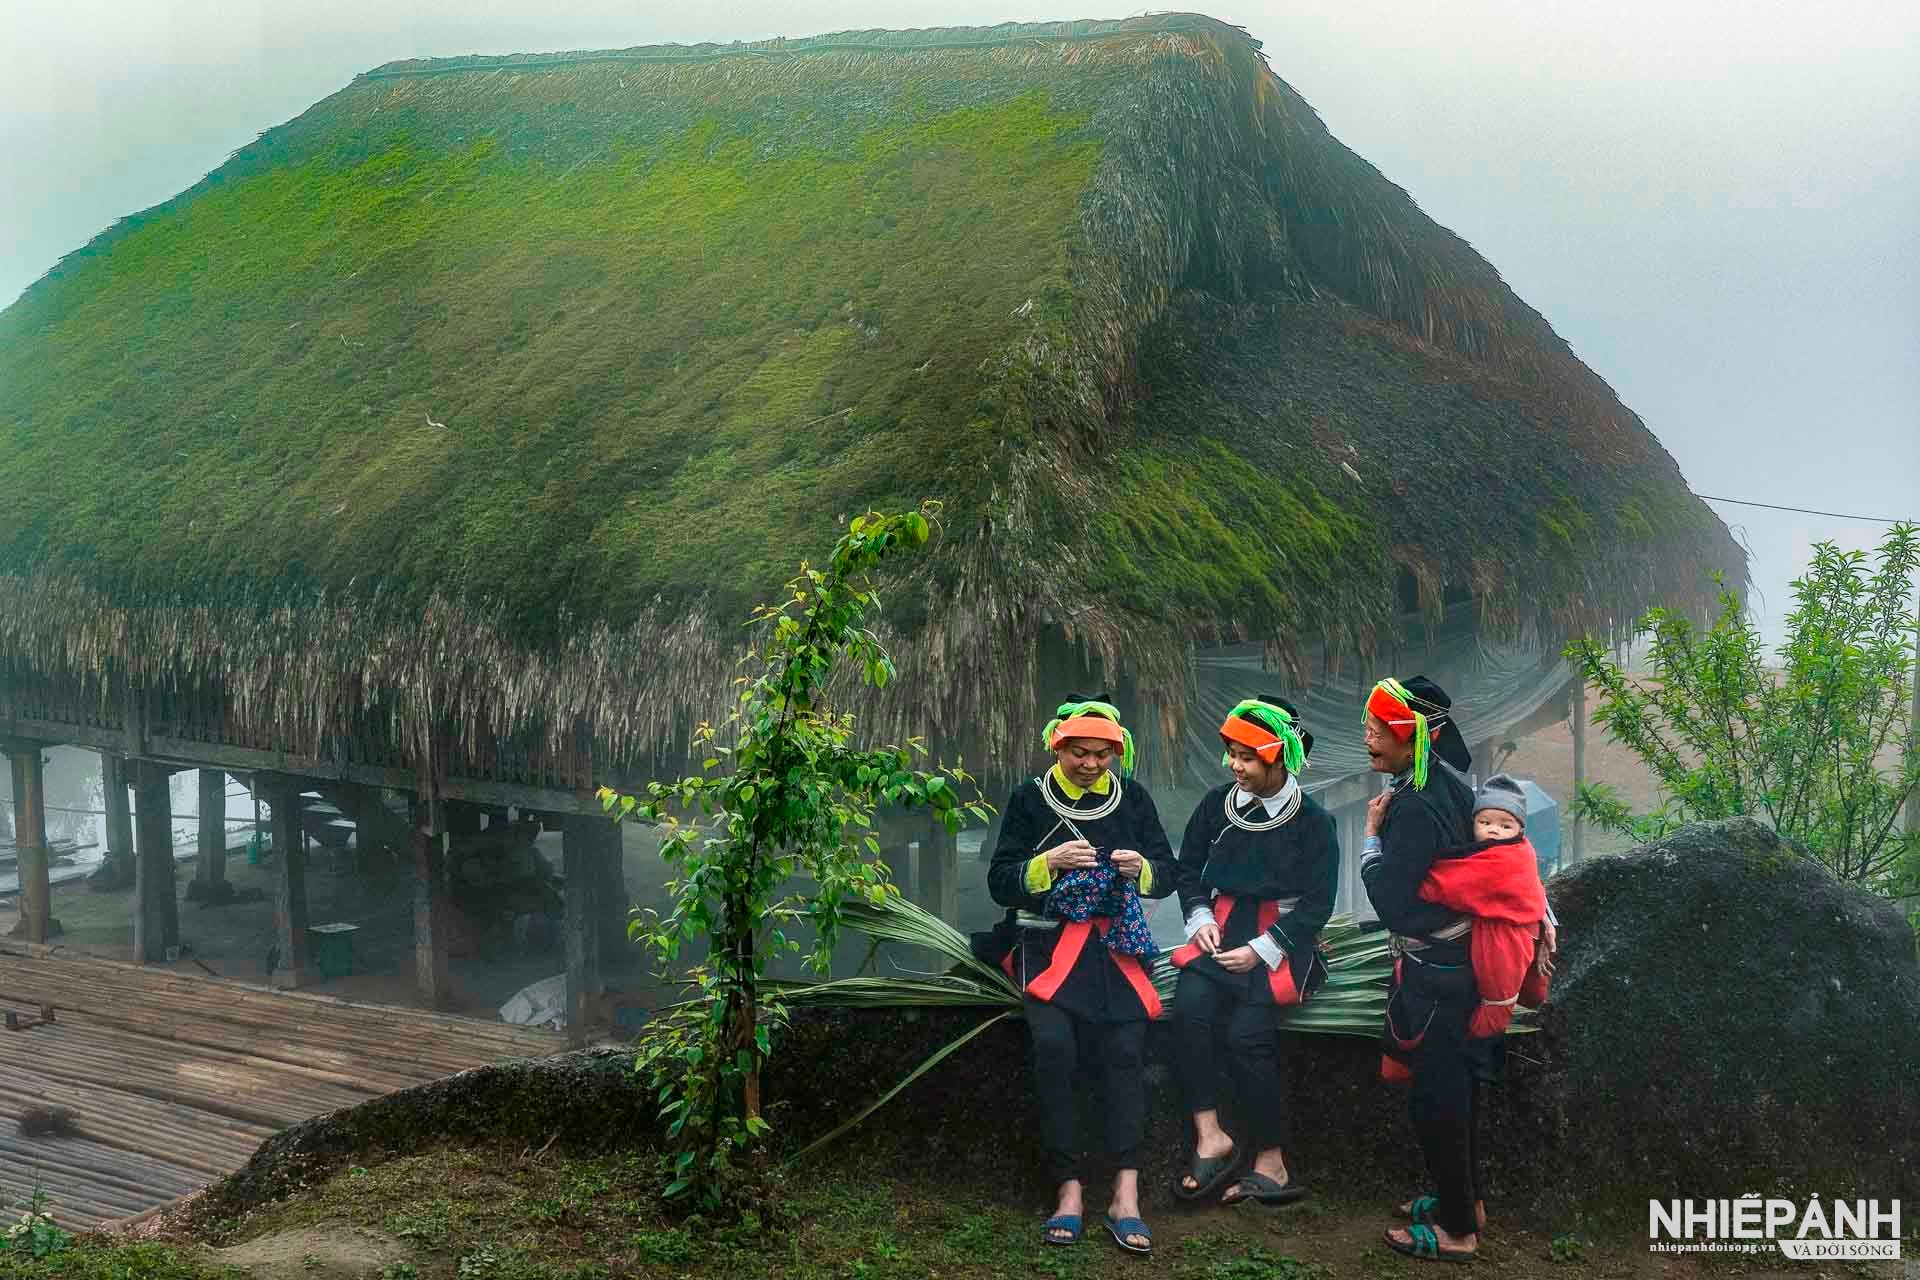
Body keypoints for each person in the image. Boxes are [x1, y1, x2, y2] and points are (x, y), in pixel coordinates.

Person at [986, 695, 1177, 1256]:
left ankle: (1126, 1193)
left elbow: (1167, 872)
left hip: (1115, 947)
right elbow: (1000, 880)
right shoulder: (1029, 798)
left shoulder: (1133, 799)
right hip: (1046, 947)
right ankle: (1068, 1190)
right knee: (1053, 1047)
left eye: (1102, 755)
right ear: (1058, 746)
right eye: (1079, 753)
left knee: (1125, 1052)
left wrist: (1140, 869)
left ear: (1116, 753)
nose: (1091, 765)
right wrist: (1049, 865)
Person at [1168, 696, 1336, 1208]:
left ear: (1279, 757)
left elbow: (1317, 903)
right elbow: (1188, 868)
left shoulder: (1313, 821)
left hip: (1280, 940)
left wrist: (1263, 951)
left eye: (1247, 757)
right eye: (1232, 755)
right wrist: (1198, 917)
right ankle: (1211, 1135)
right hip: (1217, 933)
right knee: (1191, 1013)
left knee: (1247, 1036)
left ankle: (1271, 1160)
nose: (1235, 766)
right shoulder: (1217, 806)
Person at [1357, 675, 1486, 1264]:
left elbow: (1393, 904)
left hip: (1439, 979)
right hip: (1460, 971)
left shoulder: (1410, 808)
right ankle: (1466, 1203)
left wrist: (1370, 841)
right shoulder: (1452, 789)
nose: (1368, 737)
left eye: (1380, 728)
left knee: (1438, 1102)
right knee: (1450, 1097)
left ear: (1413, 734)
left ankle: (1459, 1231)